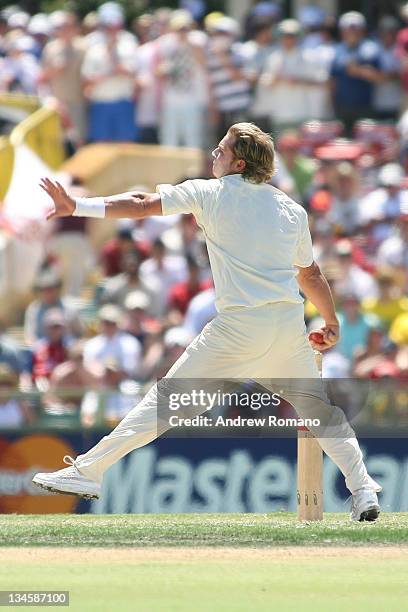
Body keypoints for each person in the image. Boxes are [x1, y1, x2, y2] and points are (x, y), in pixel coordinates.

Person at [34, 122, 382, 521]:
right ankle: (363, 488)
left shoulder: (211, 192)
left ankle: (88, 471)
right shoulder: (292, 209)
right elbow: (311, 275)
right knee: (321, 413)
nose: (213, 154)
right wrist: (331, 319)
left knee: (163, 405)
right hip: (286, 326)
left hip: (238, 329)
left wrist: (78, 205)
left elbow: (143, 203)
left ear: (238, 162)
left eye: (220, 149)